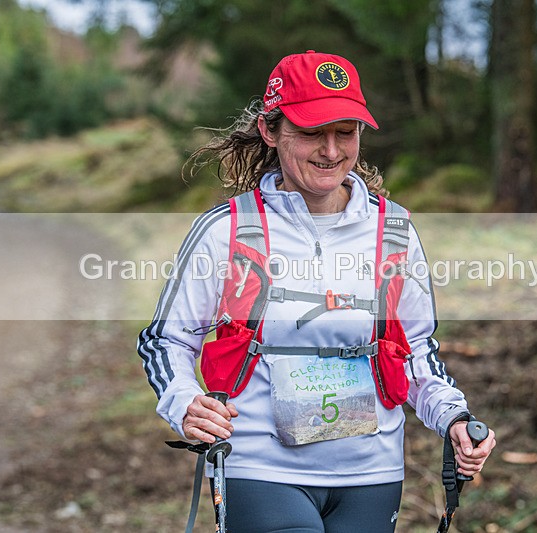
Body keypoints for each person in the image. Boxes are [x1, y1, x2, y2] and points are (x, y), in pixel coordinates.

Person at [138, 50, 496, 532]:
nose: (331, 151)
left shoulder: (394, 230)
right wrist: (184, 402)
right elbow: (166, 340)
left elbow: (414, 348)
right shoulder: (228, 230)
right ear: (271, 131)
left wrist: (454, 417)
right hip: (260, 467)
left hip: (372, 472)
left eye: (345, 132)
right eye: (311, 132)